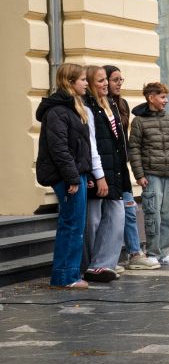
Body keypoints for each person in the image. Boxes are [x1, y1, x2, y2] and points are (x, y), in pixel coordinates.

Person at [36, 63, 91, 289]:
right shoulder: (58, 111)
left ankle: (69, 274)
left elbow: (78, 146)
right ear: (70, 82)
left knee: (74, 225)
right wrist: (71, 178)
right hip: (68, 177)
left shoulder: (72, 107)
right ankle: (65, 277)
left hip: (76, 175)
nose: (86, 84)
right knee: (71, 225)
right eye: (83, 80)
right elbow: (59, 149)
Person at [104, 65, 159, 270]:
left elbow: (124, 140)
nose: (119, 83)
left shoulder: (123, 104)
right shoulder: (99, 105)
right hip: (105, 168)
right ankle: (109, 258)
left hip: (120, 165)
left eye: (121, 80)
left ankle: (135, 253)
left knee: (129, 209)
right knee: (110, 214)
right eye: (114, 79)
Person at [128, 82, 169, 266]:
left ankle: (164, 253)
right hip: (151, 175)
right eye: (162, 97)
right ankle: (152, 252)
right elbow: (134, 149)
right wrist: (139, 174)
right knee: (153, 215)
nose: (165, 101)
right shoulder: (138, 122)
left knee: (168, 214)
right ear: (151, 98)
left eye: (166, 97)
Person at [82, 65, 129, 282]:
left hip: (114, 172)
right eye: (99, 81)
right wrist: (97, 176)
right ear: (90, 84)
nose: (105, 84)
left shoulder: (110, 104)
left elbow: (119, 143)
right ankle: (93, 265)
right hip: (97, 172)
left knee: (116, 217)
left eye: (104, 80)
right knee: (93, 221)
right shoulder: (87, 106)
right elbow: (92, 145)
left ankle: (104, 263)